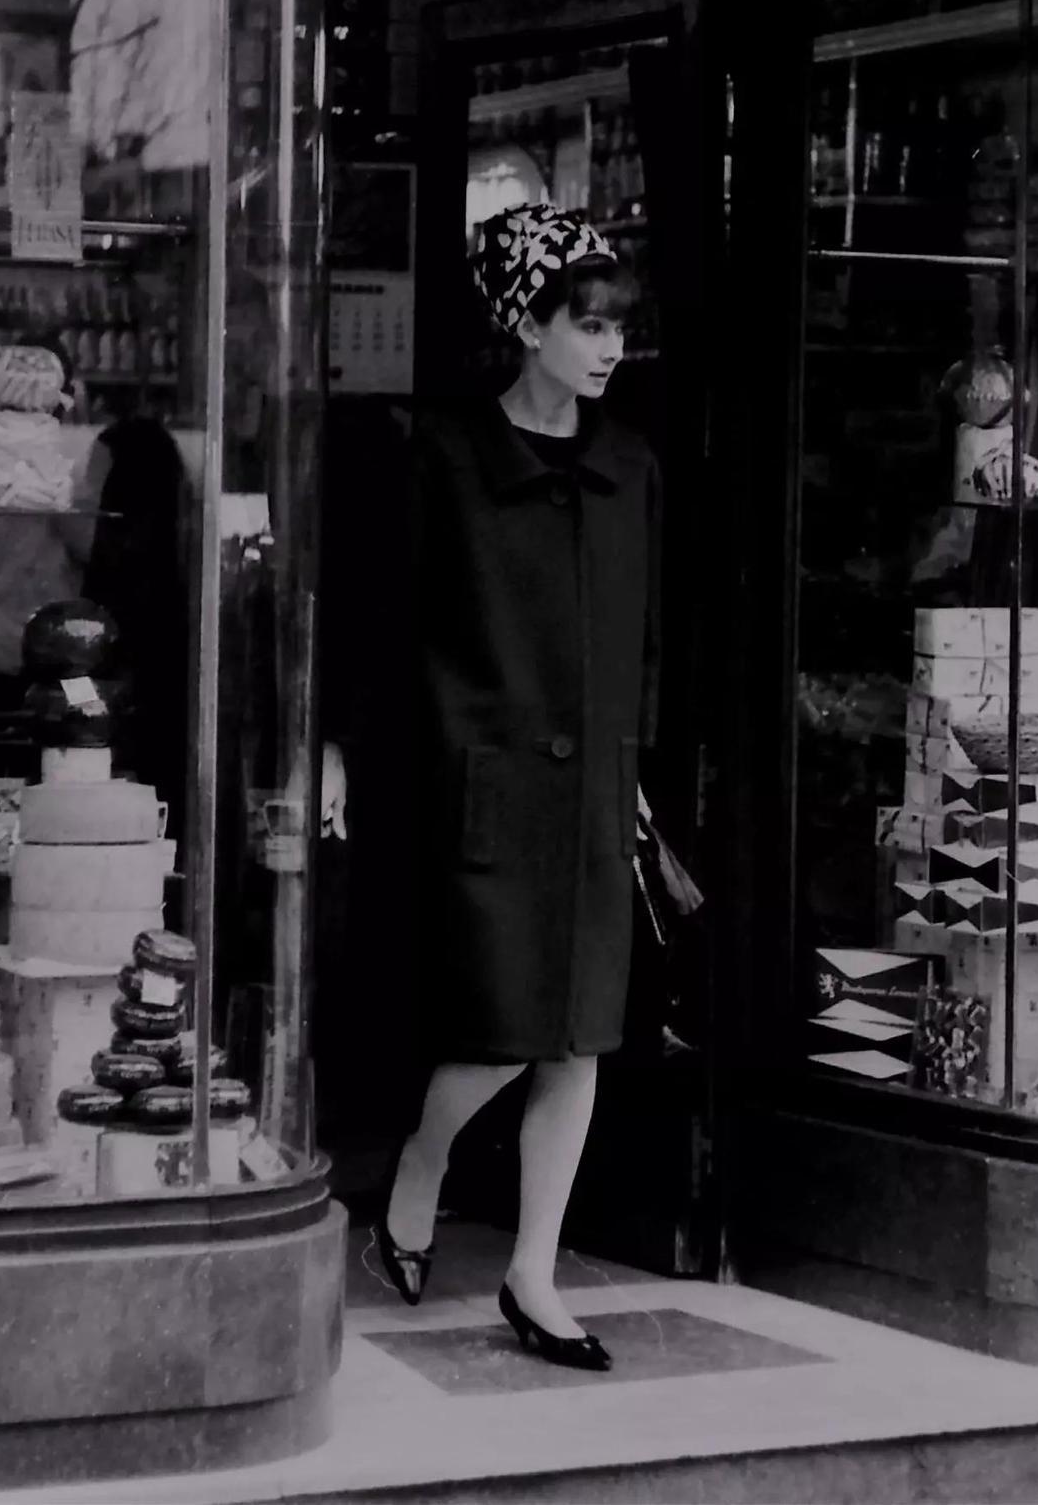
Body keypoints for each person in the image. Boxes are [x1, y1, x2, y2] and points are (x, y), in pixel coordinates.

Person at [373, 203, 662, 1373]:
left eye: (616, 329)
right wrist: (372, 759)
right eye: (586, 325)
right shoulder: (440, 456)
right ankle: (422, 1164)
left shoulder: (630, 465)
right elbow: (393, 631)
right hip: (484, 782)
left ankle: (533, 1273)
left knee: (579, 1040)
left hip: (593, 790)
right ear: (526, 325)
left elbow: (648, 637)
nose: (607, 349)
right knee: (498, 1034)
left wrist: (634, 767)